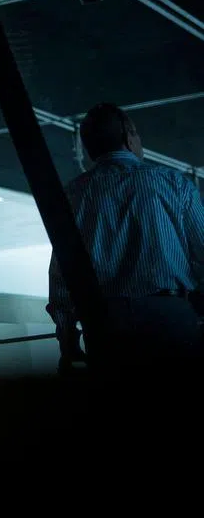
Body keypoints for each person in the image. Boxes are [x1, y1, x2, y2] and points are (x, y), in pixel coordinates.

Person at [47, 103, 203, 376]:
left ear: (88, 149)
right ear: (129, 138)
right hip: (171, 315)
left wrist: (67, 332)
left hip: (106, 322)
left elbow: (62, 271)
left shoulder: (72, 195)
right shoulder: (173, 183)